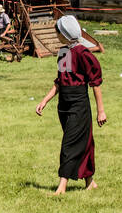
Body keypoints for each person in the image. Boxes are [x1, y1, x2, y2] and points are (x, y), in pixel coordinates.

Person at [35, 15, 106, 194]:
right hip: (64, 103)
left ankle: (62, 185)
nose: (56, 34)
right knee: (84, 141)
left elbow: (95, 82)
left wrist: (101, 111)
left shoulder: (83, 53)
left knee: (69, 143)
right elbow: (60, 81)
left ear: (65, 33)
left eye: (57, 31)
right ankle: (89, 182)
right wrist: (45, 100)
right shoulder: (63, 52)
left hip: (79, 104)